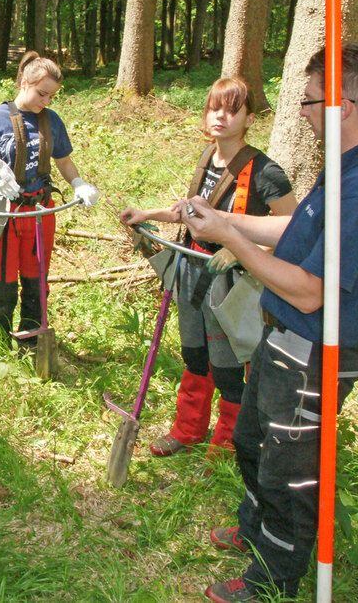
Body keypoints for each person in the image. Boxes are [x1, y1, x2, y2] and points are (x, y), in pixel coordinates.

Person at [182, 45, 358, 603]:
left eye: (311, 102)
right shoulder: (347, 168)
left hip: (313, 353)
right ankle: (254, 530)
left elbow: (311, 291)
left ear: (344, 105)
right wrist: (222, 218)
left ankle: (272, 581)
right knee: (251, 441)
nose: (303, 114)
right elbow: (292, 235)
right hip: (281, 339)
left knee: (287, 475)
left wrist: (231, 241)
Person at [119, 77, 296, 460]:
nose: (221, 116)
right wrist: (148, 214)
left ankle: (227, 444)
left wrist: (244, 248)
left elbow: (293, 229)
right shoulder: (207, 157)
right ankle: (188, 430)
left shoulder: (266, 172)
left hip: (233, 285)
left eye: (233, 110)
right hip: (192, 272)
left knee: (229, 365)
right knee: (195, 356)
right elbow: (190, 211)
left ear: (250, 119)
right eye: (215, 108)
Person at [0, 51, 100, 348]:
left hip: (40, 210)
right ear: (24, 83)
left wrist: (78, 183)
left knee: (36, 280)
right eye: (42, 93)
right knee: (3, 282)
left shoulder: (51, 121)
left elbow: (63, 161)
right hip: (2, 213)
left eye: (51, 96)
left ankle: (31, 341)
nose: (46, 101)